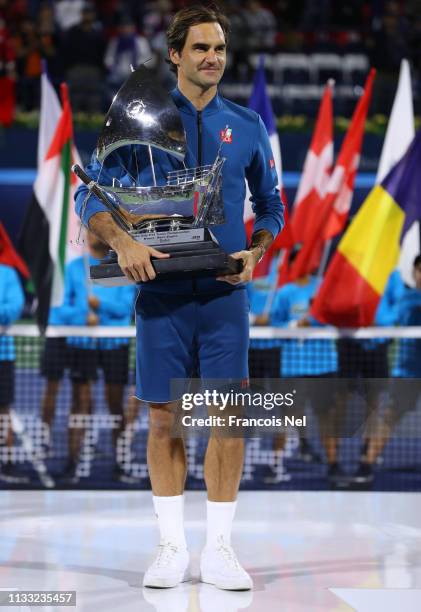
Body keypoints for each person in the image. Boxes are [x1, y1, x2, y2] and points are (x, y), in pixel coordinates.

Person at [74, 5, 283, 591]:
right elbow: (87, 197)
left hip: (224, 297)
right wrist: (120, 239)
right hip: (160, 298)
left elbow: (271, 208)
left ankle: (219, 549)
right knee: (164, 419)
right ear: (175, 54)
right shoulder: (137, 119)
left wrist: (256, 252)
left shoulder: (245, 125)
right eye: (200, 48)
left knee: (227, 419)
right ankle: (171, 547)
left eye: (219, 48)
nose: (212, 57)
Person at [58, 232, 136, 482]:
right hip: (82, 343)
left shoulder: (123, 265)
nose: (93, 235)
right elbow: (61, 309)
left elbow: (126, 307)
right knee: (80, 404)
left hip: (115, 343)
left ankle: (120, 462)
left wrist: (99, 306)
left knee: (115, 405)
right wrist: (83, 314)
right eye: (90, 231)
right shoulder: (74, 268)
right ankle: (72, 462)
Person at [0, 262, 25, 482]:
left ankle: (7, 461)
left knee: (3, 409)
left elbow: (14, 306)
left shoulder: (7, 274)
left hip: (2, 355)